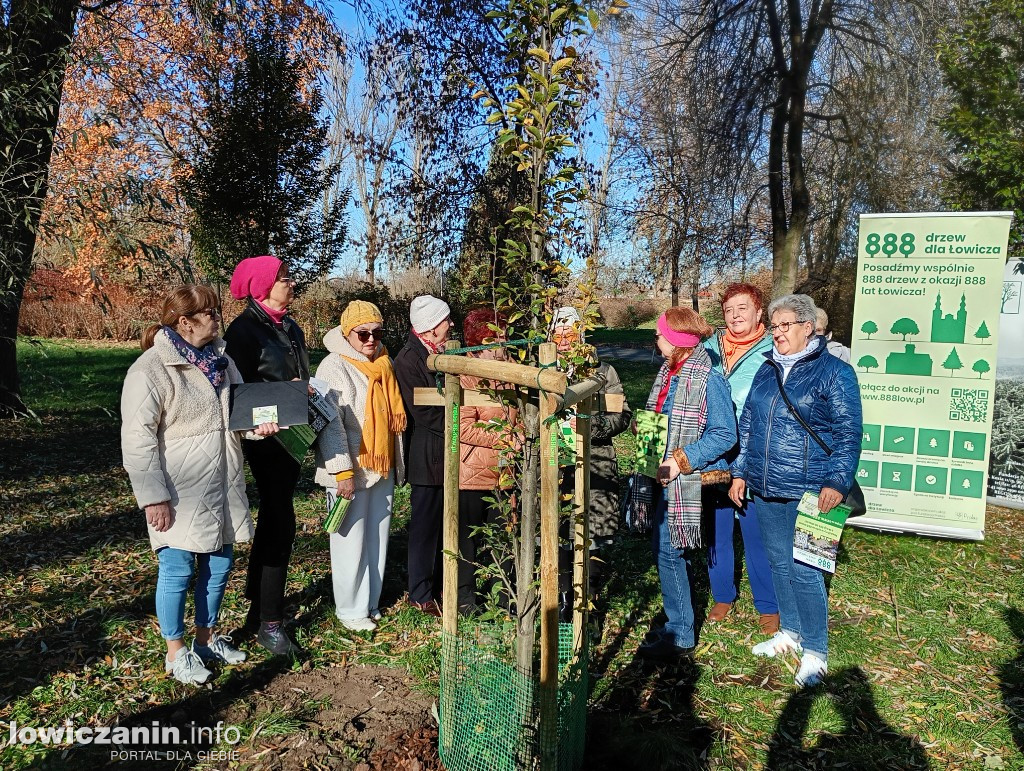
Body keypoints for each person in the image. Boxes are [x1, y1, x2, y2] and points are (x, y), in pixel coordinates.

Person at [121, 285, 255, 685]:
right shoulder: (150, 369)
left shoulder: (224, 362)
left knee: (218, 567)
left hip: (224, 481)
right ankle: (175, 652)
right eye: (210, 312)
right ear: (185, 322)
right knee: (177, 570)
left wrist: (259, 428)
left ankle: (206, 637)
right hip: (179, 490)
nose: (218, 317)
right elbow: (137, 439)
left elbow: (240, 416)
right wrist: (153, 497)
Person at [729, 294, 862, 687]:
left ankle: (816, 651)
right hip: (767, 486)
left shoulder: (835, 373)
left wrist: (837, 481)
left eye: (786, 325)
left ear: (808, 328)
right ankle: (790, 632)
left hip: (812, 490)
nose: (778, 332)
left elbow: (848, 433)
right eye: (774, 326)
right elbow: (749, 422)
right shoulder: (766, 369)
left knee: (807, 569)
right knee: (779, 562)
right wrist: (740, 472)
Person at [626, 308, 737, 660]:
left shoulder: (708, 378)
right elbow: (664, 418)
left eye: (659, 335)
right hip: (661, 475)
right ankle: (679, 621)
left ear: (676, 341)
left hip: (684, 480)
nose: (655, 340)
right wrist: (645, 429)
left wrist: (681, 459)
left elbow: (725, 434)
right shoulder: (669, 371)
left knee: (669, 552)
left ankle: (681, 634)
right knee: (667, 550)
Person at [224, 255, 309, 656]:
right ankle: (269, 624)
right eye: (285, 279)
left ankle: (258, 605)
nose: (292, 284)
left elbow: (292, 376)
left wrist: (302, 390)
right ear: (261, 287)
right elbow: (238, 392)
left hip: (295, 434)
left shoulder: (290, 327)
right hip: (266, 439)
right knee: (280, 523)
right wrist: (271, 408)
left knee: (278, 518)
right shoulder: (243, 331)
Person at [313, 301, 407, 631]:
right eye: (363, 333)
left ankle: (370, 602)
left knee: (377, 538)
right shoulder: (332, 366)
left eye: (377, 332)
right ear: (346, 333)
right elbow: (329, 424)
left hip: (381, 465)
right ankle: (350, 610)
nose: (370, 339)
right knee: (349, 542)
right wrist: (342, 471)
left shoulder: (384, 361)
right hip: (350, 469)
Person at [702, 284, 780, 635]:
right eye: (730, 309)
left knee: (755, 531)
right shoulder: (710, 347)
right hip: (714, 450)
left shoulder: (774, 349)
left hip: (755, 450)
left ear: (759, 312)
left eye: (743, 308)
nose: (735, 315)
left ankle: (768, 604)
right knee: (716, 528)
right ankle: (722, 594)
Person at [550, 306, 632, 619]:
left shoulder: (603, 371)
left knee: (594, 534)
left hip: (594, 462)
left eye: (570, 332)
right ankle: (563, 599)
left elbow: (622, 416)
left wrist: (589, 425)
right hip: (555, 465)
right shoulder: (544, 370)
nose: (565, 339)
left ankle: (590, 601)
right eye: (558, 332)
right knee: (558, 531)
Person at [456, 308, 519, 613]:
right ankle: (466, 598)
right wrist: (502, 438)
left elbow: (524, 416)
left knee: (505, 536)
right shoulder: (465, 376)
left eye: (505, 338)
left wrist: (520, 436)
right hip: (472, 472)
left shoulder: (514, 373)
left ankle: (507, 598)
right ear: (479, 342)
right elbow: (462, 426)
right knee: (468, 538)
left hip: (507, 471)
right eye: (496, 339)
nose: (502, 346)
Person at [394, 295, 453, 617]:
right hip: (427, 455)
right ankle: (420, 593)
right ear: (430, 328)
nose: (451, 325)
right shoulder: (408, 360)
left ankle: (441, 583)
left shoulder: (439, 353)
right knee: (424, 528)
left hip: (444, 452)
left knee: (444, 524)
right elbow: (425, 412)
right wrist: (462, 422)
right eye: (446, 321)